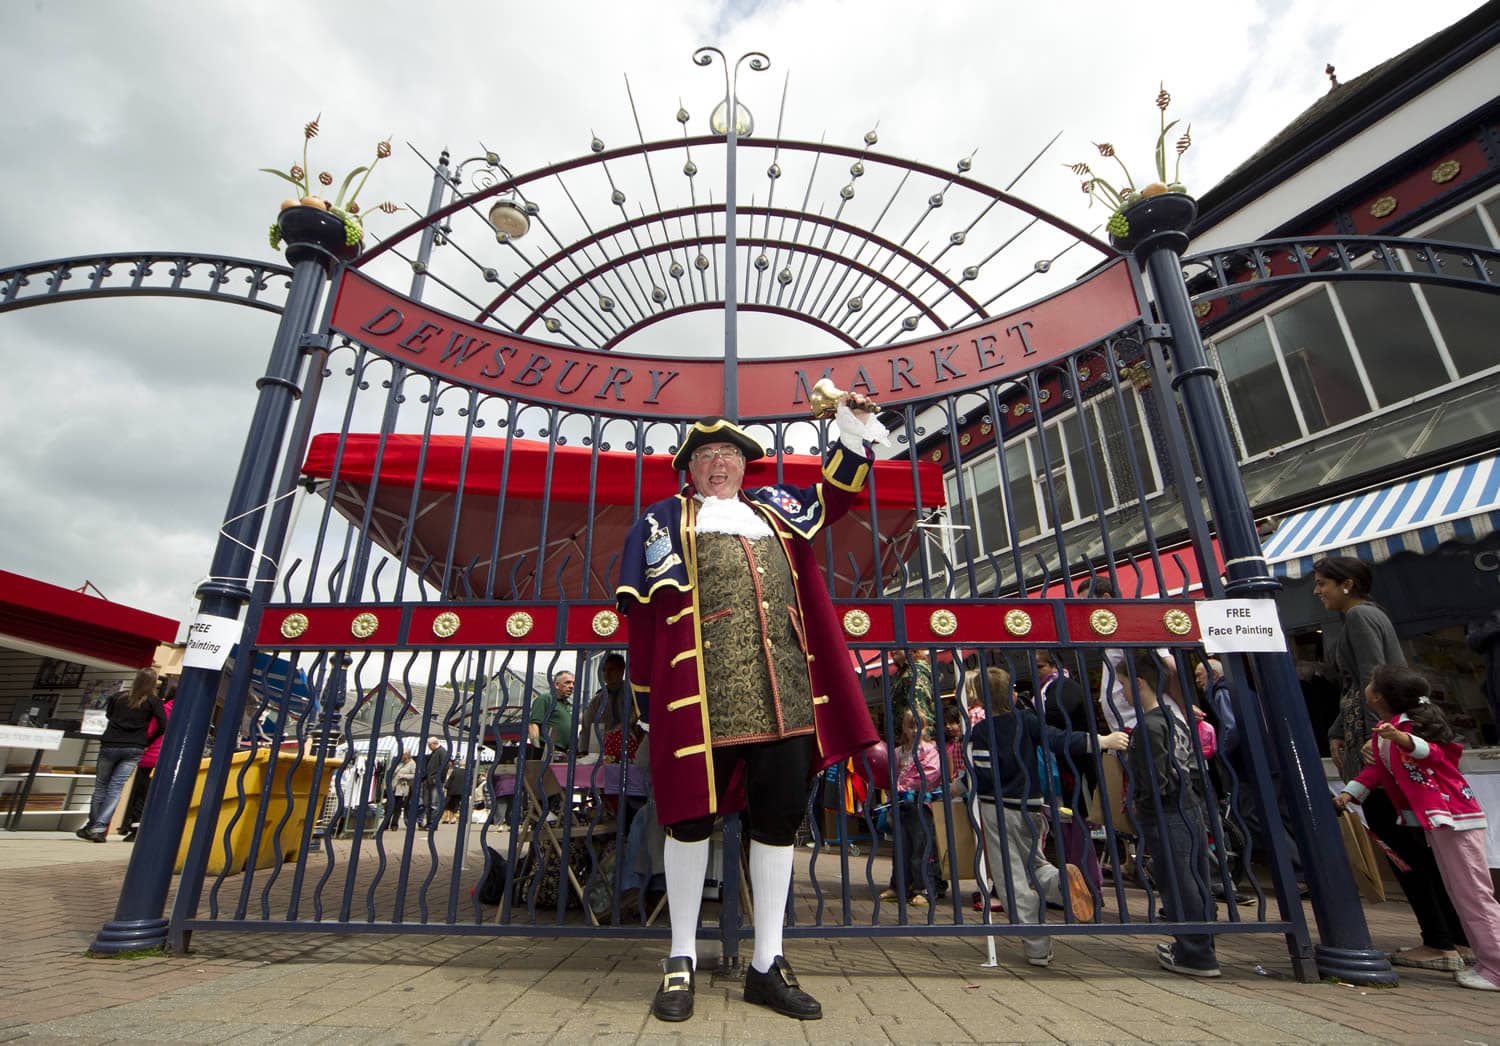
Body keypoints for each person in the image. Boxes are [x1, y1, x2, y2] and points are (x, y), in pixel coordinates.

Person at [617, 403, 885, 1023]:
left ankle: (768, 962)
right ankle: (680, 958)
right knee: (687, 824)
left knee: (778, 823)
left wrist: (847, 428)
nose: (720, 464)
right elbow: (646, 625)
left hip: (785, 698)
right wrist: (648, 703)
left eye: (731, 456)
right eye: (707, 457)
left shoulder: (775, 510)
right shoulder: (662, 522)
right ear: (689, 469)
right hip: (699, 705)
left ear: (745, 466)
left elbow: (836, 494)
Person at [1315, 555, 1468, 970]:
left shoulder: (1360, 619)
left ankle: (1438, 940)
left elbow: (1371, 681)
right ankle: (1454, 935)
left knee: (1402, 849)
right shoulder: (1372, 616)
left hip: (1377, 754)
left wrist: (1370, 739)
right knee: (1417, 850)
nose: (1318, 591)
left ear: (1346, 585)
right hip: (1380, 743)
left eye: (1323, 583)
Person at [1334, 665, 1499, 991]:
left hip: (1454, 819)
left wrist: (1405, 740)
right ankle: (1486, 962)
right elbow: (1377, 772)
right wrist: (1348, 793)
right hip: (1440, 823)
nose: (1366, 687)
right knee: (1462, 893)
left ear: (1380, 695)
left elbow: (1437, 755)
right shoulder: (1387, 730)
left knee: (1474, 895)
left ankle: (1495, 968)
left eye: (1370, 683)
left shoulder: (1406, 729)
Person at [969, 666, 1127, 967]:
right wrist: (1102, 741)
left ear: (979, 697)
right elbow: (1059, 739)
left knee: (1011, 878)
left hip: (996, 809)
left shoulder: (981, 732)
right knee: (1035, 863)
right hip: (1031, 805)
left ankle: (1037, 945)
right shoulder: (1027, 721)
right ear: (1013, 693)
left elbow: (979, 774)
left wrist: (955, 788)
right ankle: (1058, 881)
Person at [1125, 672, 1220, 977]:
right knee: (1194, 877)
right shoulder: (1174, 719)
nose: (1122, 692)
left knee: (1180, 880)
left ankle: (1195, 953)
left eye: (1124, 684)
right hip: (1187, 806)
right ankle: (1196, 945)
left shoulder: (1150, 725)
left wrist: (1142, 804)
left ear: (1139, 682)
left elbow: (1157, 778)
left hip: (1166, 811)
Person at [76, 668, 166, 843]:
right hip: (134, 747)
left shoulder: (118, 697)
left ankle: (94, 826)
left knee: (100, 786)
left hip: (110, 743)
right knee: (116, 787)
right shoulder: (153, 701)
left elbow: (109, 715)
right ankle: (99, 827)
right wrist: (147, 740)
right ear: (153, 683)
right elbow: (163, 725)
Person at [880, 710, 946, 906]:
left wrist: (902, 786)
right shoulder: (899, 751)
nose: (915, 730)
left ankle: (925, 888)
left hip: (921, 804)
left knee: (921, 847)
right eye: (911, 726)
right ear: (904, 728)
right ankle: (899, 885)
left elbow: (931, 775)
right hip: (901, 805)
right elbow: (888, 773)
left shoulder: (930, 751)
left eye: (919, 725)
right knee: (901, 847)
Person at [118, 683, 174, 842]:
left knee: (143, 794)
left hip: (152, 757)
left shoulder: (163, 709)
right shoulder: (191, 712)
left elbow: (150, 730)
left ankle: (136, 829)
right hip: (173, 760)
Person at [579, 653, 627, 757]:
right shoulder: (597, 699)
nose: (607, 674)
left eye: (611, 669)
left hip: (628, 749)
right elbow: (586, 726)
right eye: (604, 670)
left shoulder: (631, 694)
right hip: (601, 750)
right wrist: (583, 751)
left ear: (621, 671)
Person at [528, 669, 577, 760]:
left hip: (563, 753)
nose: (571, 686)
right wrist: (537, 750)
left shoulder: (567, 705)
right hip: (546, 751)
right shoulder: (546, 699)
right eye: (567, 682)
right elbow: (533, 725)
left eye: (573, 684)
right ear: (556, 685)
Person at [890, 648, 937, 740]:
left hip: (914, 741)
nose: (892, 650)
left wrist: (920, 741)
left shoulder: (913, 673)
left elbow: (920, 709)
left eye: (898, 646)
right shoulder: (905, 672)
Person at [381, 750, 416, 831]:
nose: (402, 756)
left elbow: (414, 775)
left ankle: (394, 824)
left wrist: (404, 776)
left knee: (397, 807)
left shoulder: (412, 763)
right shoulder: (397, 761)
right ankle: (386, 823)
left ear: (408, 755)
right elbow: (389, 772)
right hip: (393, 786)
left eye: (403, 755)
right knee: (388, 806)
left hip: (402, 787)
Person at [420, 739, 450, 830]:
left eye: (429, 745)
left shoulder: (441, 752)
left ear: (434, 744)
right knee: (428, 804)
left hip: (435, 781)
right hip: (429, 780)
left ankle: (432, 824)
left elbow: (445, 766)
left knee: (434, 804)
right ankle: (429, 823)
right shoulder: (434, 753)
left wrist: (438, 778)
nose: (428, 747)